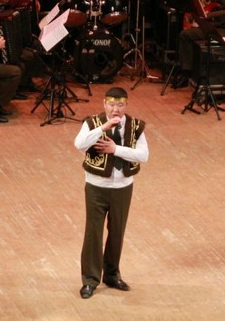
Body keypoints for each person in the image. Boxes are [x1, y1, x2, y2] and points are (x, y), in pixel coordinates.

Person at [74, 87, 149, 299]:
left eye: (120, 105)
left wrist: (116, 149)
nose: (116, 109)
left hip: (122, 187)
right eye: (112, 105)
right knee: (93, 233)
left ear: (126, 105)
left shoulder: (135, 126)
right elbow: (79, 144)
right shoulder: (92, 123)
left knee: (117, 232)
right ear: (104, 104)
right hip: (96, 186)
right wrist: (103, 128)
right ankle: (90, 280)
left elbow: (143, 155)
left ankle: (112, 275)